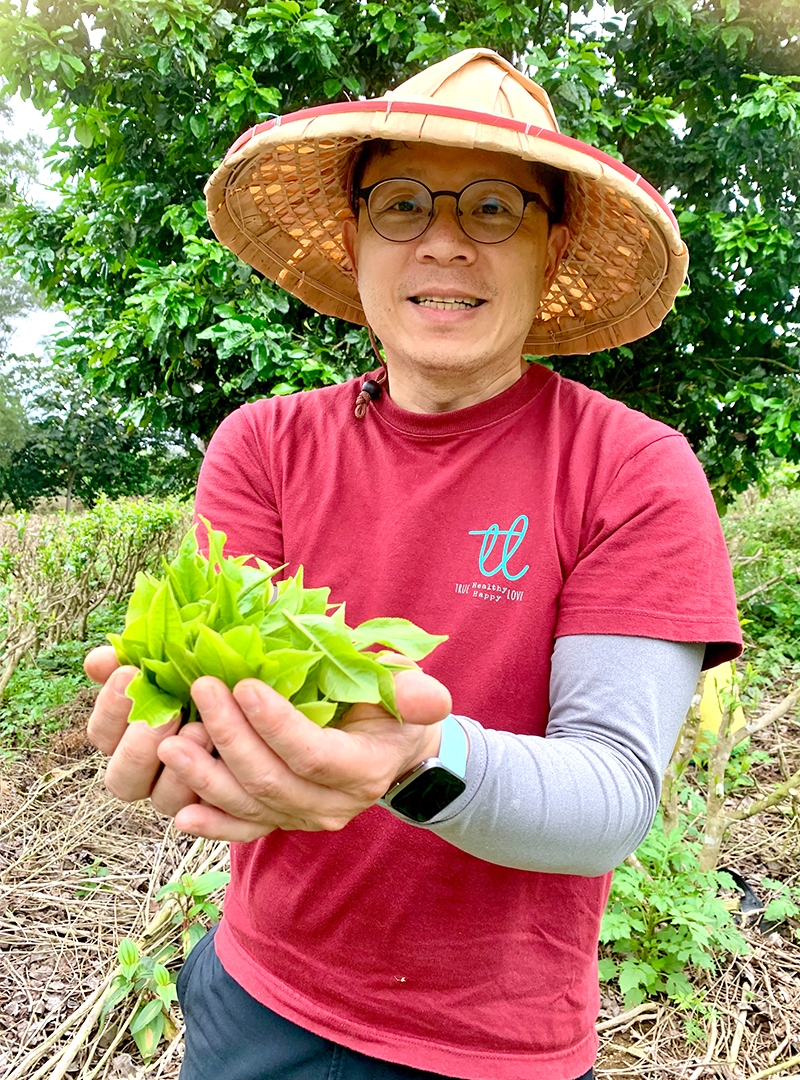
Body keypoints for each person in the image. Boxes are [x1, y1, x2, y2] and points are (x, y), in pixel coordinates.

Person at [86, 49, 742, 1080]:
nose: (443, 241)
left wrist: (413, 760)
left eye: (493, 208)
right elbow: (217, 691)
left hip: (492, 1048)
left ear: (552, 246)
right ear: (353, 242)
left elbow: (609, 798)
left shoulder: (631, 469)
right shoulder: (262, 445)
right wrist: (176, 737)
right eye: (401, 205)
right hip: (256, 998)